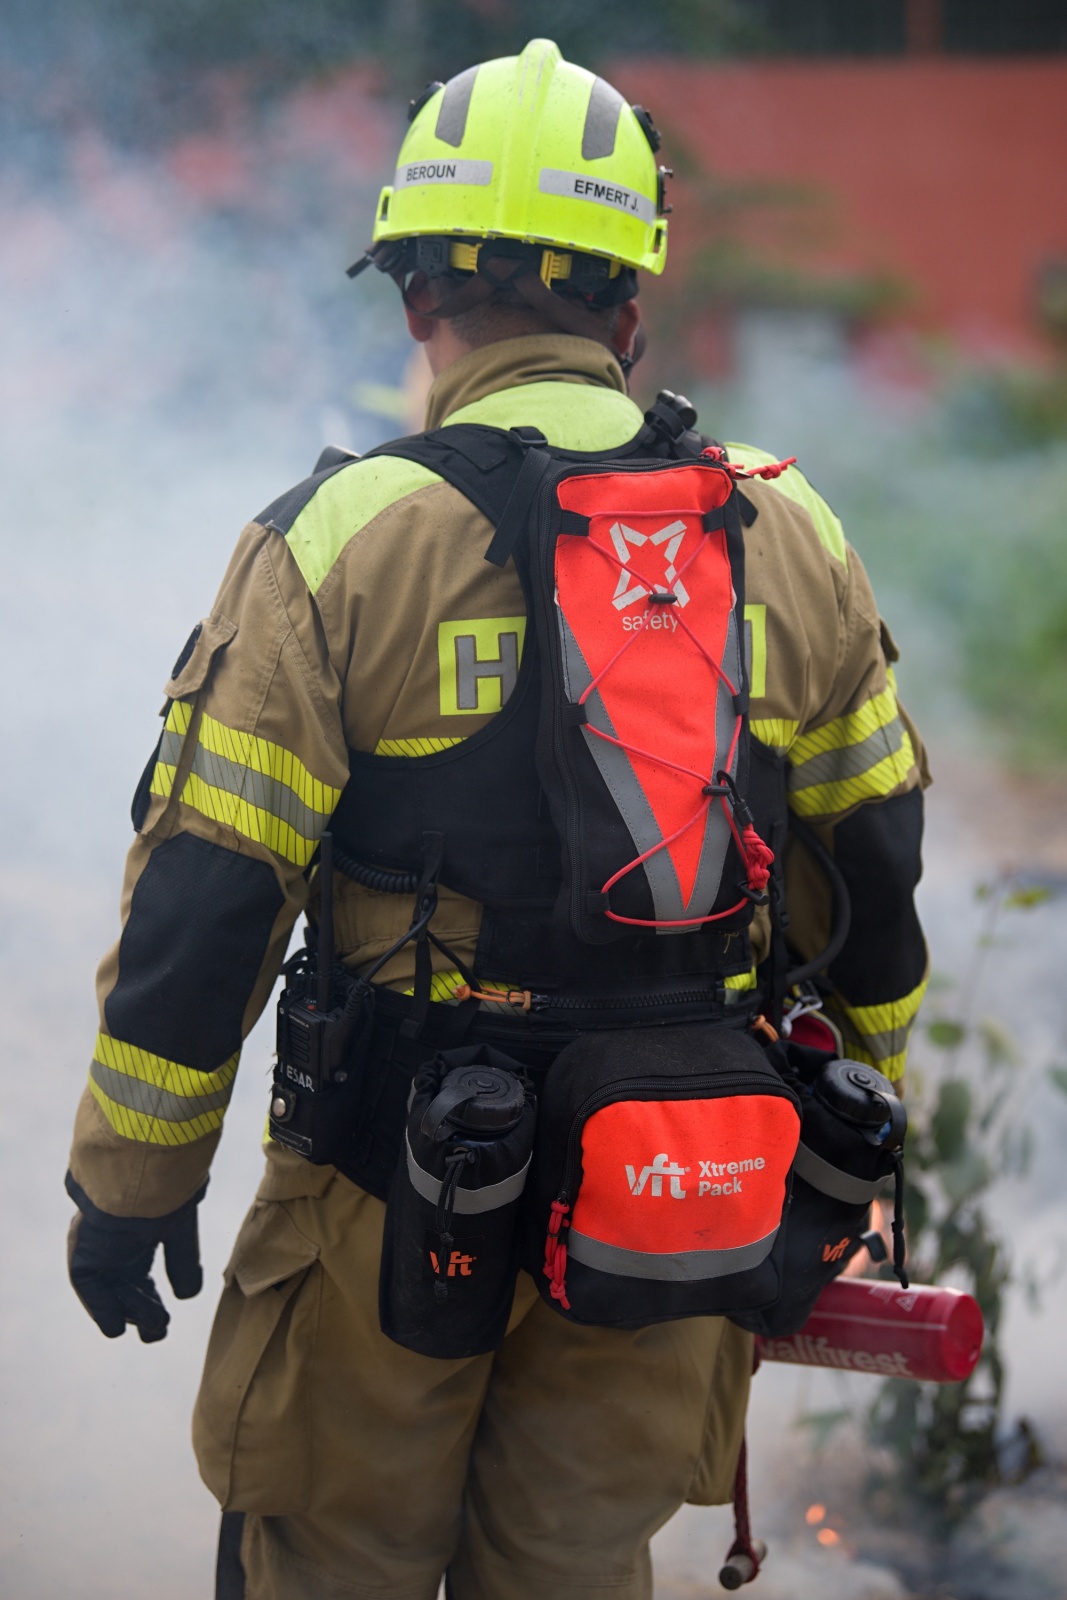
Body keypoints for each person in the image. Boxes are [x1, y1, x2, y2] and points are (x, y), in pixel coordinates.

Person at [65, 38, 929, 1600]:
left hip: (384, 1207)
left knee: (334, 1565)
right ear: (631, 302)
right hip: (673, 1196)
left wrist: (132, 1187)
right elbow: (873, 881)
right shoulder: (789, 533)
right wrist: (846, 1164)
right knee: (576, 1570)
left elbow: (208, 907)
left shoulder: (343, 543)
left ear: (414, 301)